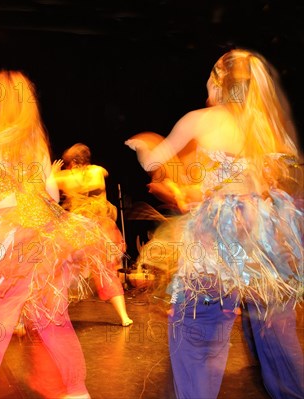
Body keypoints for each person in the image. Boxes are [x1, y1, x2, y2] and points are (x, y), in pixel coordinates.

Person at [0, 70, 122, 399]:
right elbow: (52, 195)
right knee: (50, 316)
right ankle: (75, 389)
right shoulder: (35, 140)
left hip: (1, 239)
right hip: (38, 235)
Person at [126, 48, 303, 399]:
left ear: (217, 81)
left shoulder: (200, 119)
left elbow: (153, 164)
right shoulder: (265, 126)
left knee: (197, 326)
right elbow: (277, 175)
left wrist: (144, 146)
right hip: (261, 236)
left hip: (218, 236)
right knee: (272, 324)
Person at [53, 143, 133, 326]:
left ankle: (55, 315)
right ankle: (124, 317)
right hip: (101, 231)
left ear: (72, 162)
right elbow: (104, 173)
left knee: (60, 269)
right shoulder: (98, 171)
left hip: (79, 232)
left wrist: (53, 172)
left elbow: (47, 185)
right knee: (106, 272)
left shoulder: (64, 178)